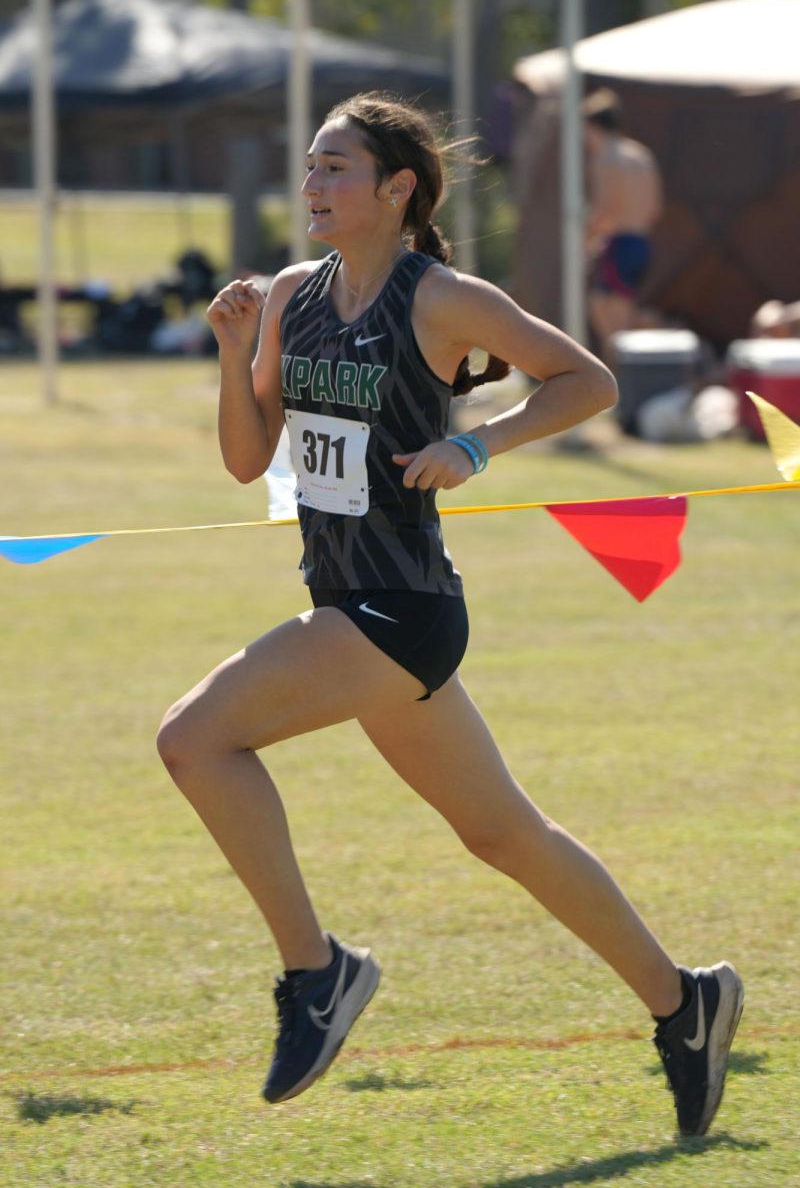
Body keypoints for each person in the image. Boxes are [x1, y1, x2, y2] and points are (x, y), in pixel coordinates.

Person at [156, 92, 743, 1134]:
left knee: (195, 739)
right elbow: (250, 460)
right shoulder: (291, 293)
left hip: (402, 611)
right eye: (309, 168)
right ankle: (682, 1001)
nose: (312, 188)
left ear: (397, 190)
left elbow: (586, 379)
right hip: (345, 602)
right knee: (503, 834)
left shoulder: (442, 299)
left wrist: (475, 445)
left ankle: (317, 972)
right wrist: (232, 348)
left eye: (336, 169)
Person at [583, 89, 663, 362]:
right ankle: (626, 369)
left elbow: (607, 207)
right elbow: (655, 208)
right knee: (619, 308)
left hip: (619, 242)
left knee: (612, 316)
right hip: (642, 241)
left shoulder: (605, 158)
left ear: (593, 127)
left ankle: (619, 375)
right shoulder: (641, 155)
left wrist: (588, 237)